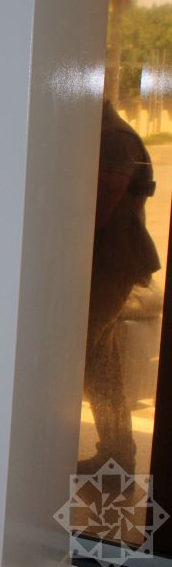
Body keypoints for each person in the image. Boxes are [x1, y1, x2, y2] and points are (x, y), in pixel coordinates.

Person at [78, 101, 160, 474]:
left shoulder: (114, 139)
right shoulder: (110, 134)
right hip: (108, 264)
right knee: (99, 365)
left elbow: (96, 210)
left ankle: (115, 457)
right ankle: (117, 456)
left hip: (110, 265)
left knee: (80, 358)